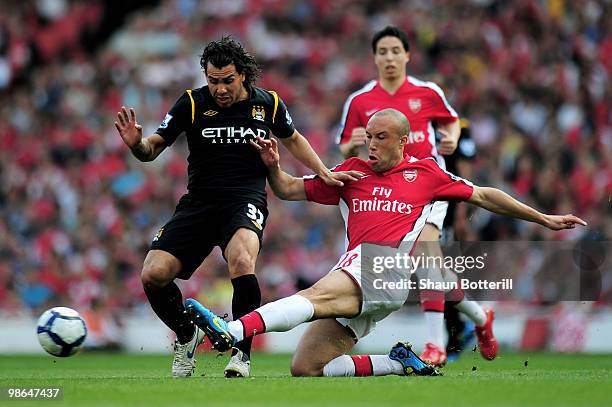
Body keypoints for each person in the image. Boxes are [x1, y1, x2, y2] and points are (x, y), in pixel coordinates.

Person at [185, 109, 586, 377]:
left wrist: (542, 218)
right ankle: (398, 363)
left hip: (384, 265)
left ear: (402, 141)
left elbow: (483, 194)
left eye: (381, 138)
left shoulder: (426, 173)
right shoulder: (351, 171)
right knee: (305, 366)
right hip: (363, 272)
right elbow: (289, 189)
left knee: (315, 293)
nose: (371, 145)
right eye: (369, 137)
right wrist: (273, 166)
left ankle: (233, 331)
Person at [114, 37, 356, 378]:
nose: (220, 88)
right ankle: (187, 334)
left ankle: (240, 355)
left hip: (244, 201)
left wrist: (323, 171)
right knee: (153, 274)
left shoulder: (267, 103)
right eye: (213, 81)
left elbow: (294, 140)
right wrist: (137, 144)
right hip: (198, 203)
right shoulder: (191, 104)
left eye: (227, 80)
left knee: (242, 260)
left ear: (242, 74)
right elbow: (151, 149)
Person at [336, 25, 485, 365]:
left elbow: (451, 123)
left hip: (427, 186)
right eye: (382, 52)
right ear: (374, 58)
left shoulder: (427, 92)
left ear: (407, 55)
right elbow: (344, 145)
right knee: (431, 268)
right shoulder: (360, 100)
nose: (389, 57)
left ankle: (436, 345)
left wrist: (448, 139)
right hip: (385, 192)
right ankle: (480, 317)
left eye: (394, 51)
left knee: (426, 256)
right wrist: (354, 141)